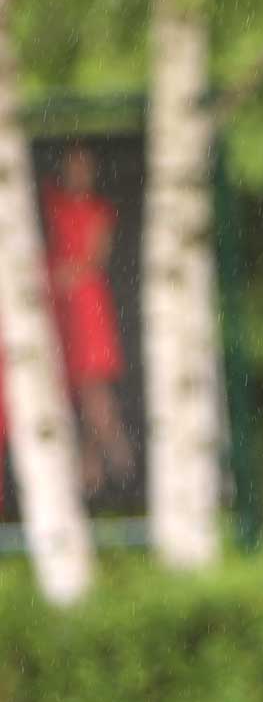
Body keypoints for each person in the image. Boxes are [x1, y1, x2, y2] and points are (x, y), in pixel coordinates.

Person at [43, 143, 134, 496]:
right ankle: (98, 468)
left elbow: (94, 260)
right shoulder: (55, 204)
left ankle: (117, 462)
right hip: (64, 310)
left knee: (93, 388)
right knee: (86, 393)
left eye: (84, 167)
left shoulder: (99, 211)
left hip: (89, 308)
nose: (78, 173)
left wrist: (63, 275)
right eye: (73, 166)